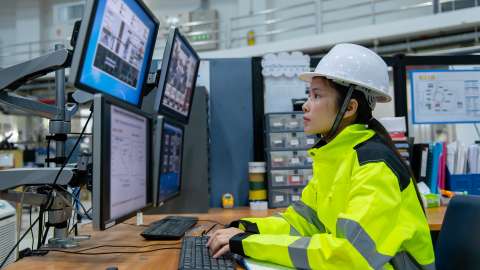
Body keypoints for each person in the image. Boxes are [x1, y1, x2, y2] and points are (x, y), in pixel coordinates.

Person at [206, 44, 435, 269]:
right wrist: (244, 229)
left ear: (349, 108)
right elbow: (304, 222)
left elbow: (349, 254)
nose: (305, 106)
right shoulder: (335, 156)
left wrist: (247, 243)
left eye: (316, 96)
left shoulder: (374, 167)